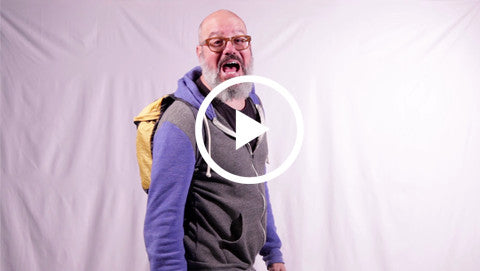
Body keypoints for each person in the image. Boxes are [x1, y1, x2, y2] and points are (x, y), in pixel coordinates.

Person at [144, 10, 286, 271]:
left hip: (245, 264)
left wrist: (273, 252)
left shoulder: (251, 104)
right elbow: (162, 220)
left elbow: (256, 180)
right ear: (200, 52)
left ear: (249, 48)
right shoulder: (181, 121)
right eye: (217, 42)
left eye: (239, 40)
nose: (230, 49)